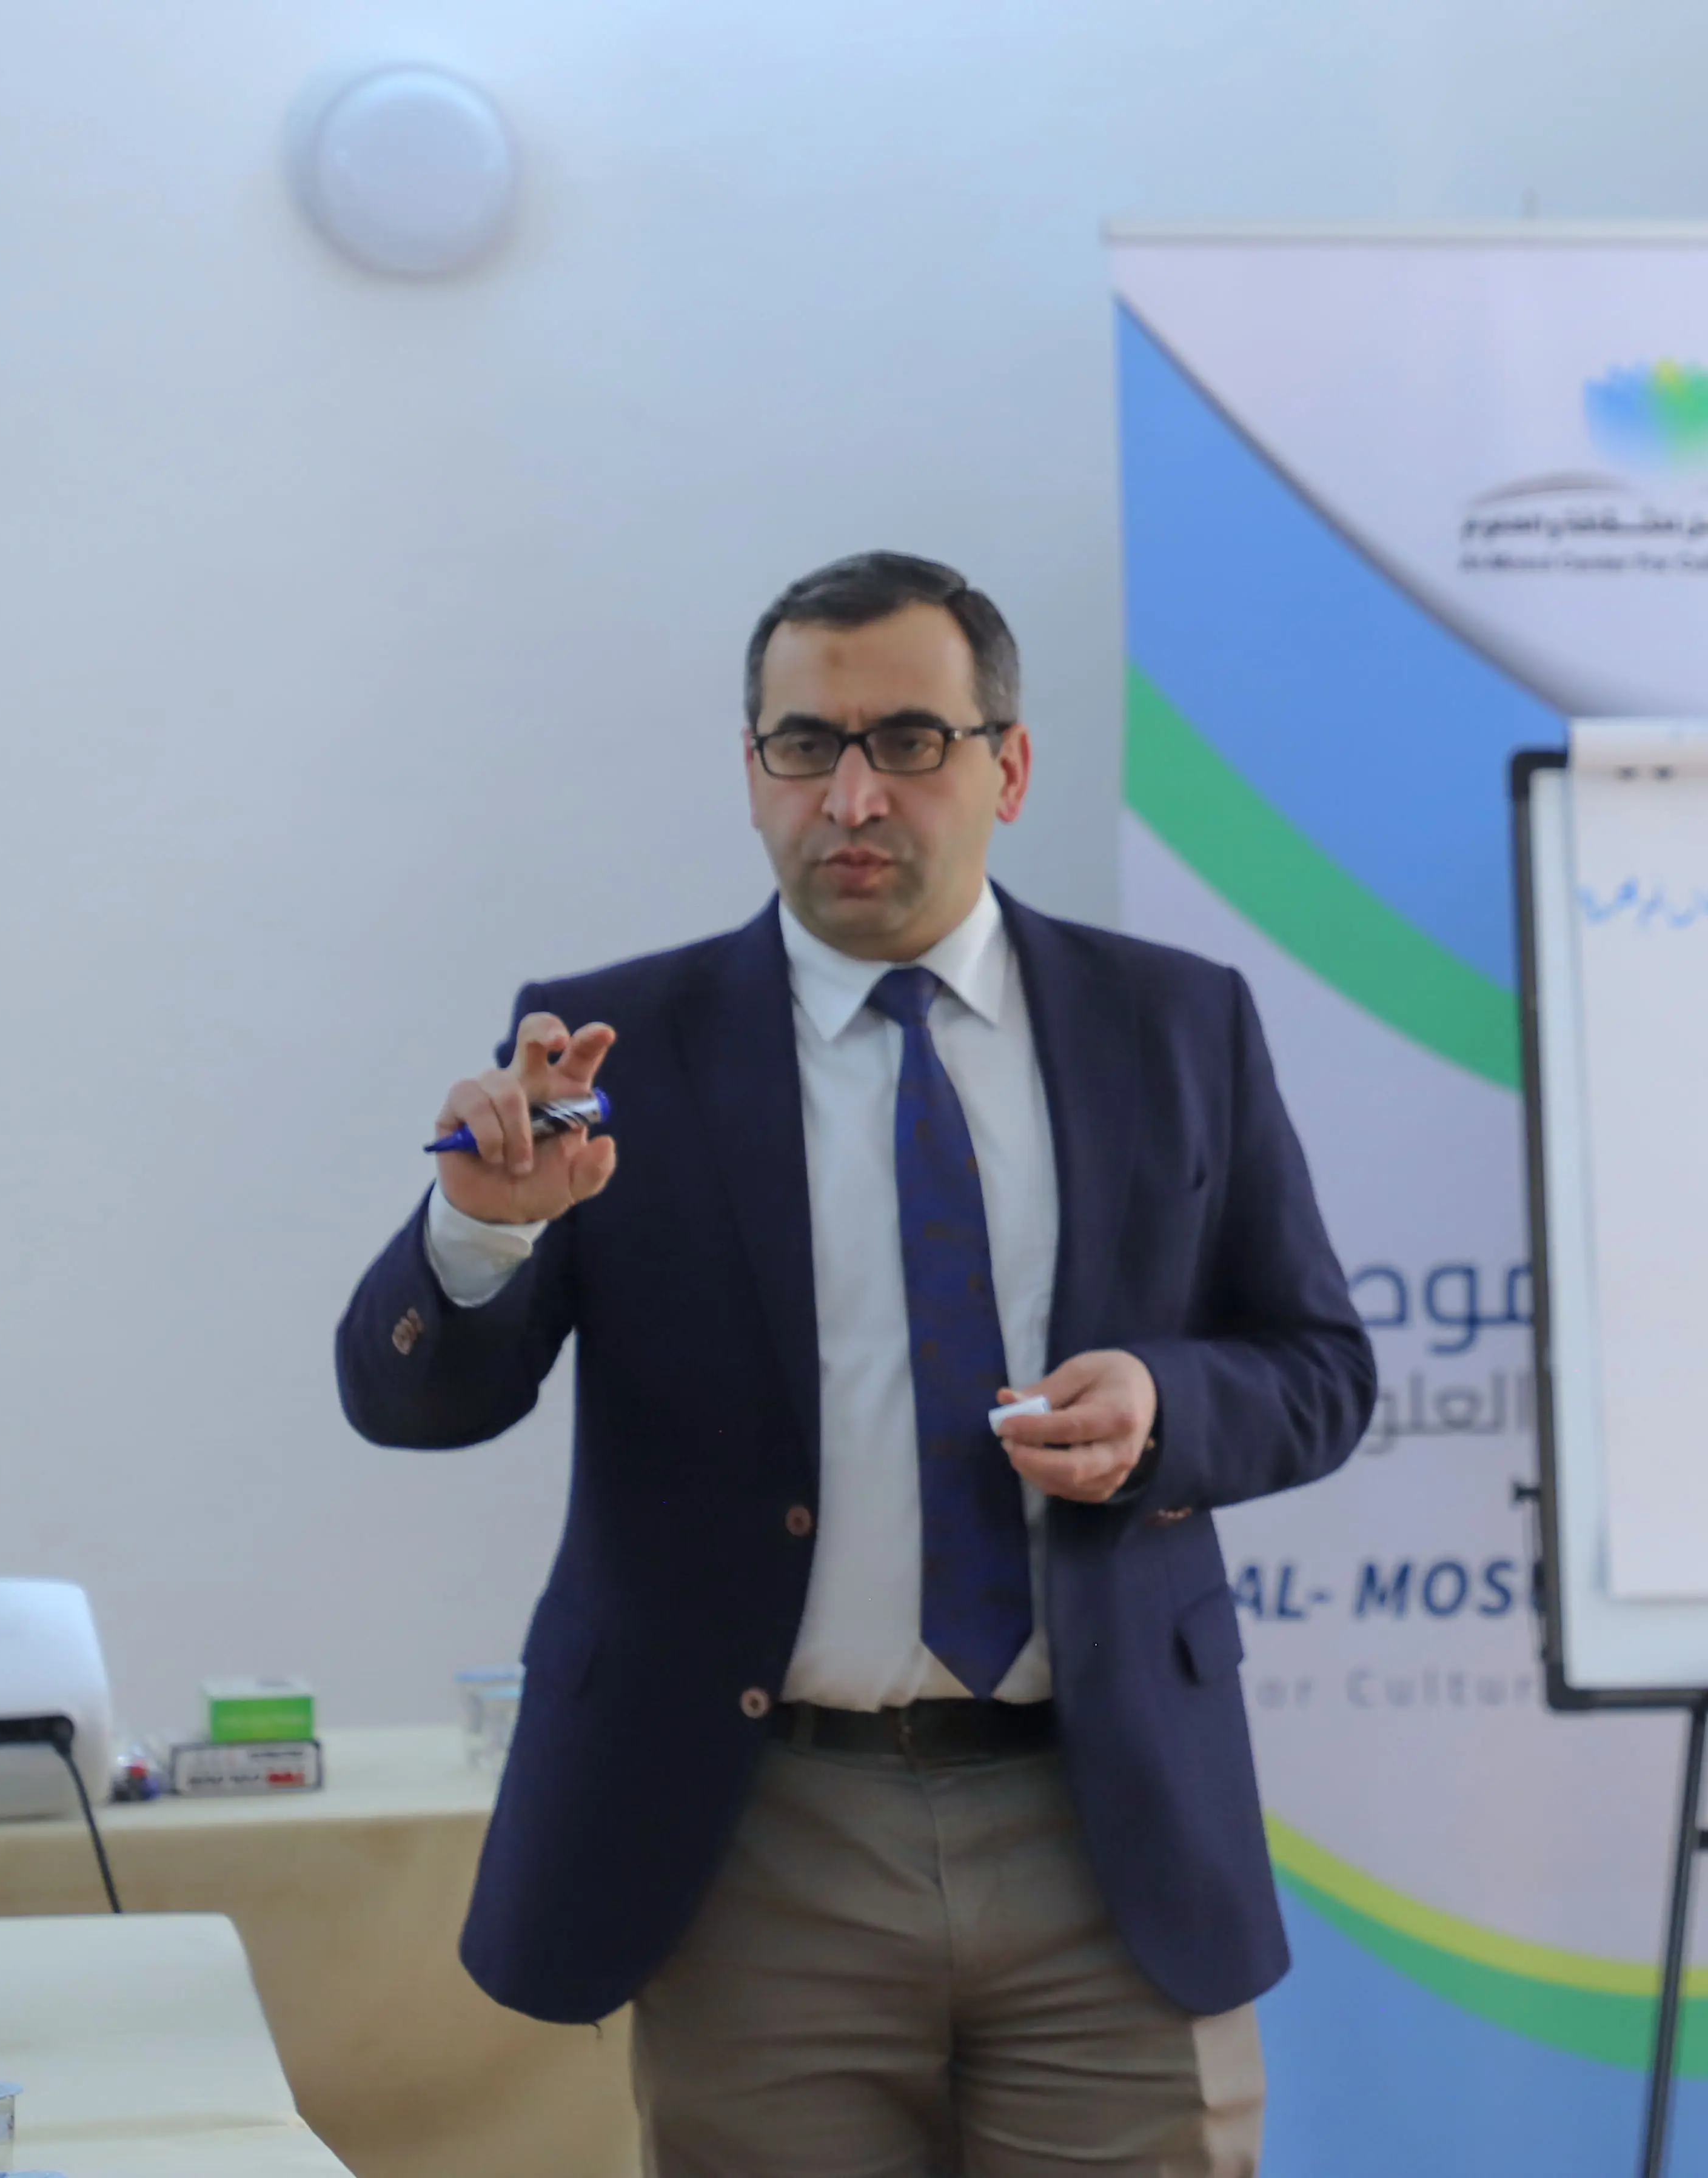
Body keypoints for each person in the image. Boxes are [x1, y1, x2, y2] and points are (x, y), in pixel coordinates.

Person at [334, 551, 1373, 2177]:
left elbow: (1317, 1366)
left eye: (909, 741)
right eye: (805, 747)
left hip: (1106, 1828)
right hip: (758, 1839)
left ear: (1009, 766)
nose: (854, 794)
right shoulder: (616, 1054)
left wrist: (1169, 1407)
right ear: (753, 774)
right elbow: (414, 1401)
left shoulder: (1174, 1024)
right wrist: (482, 1235)